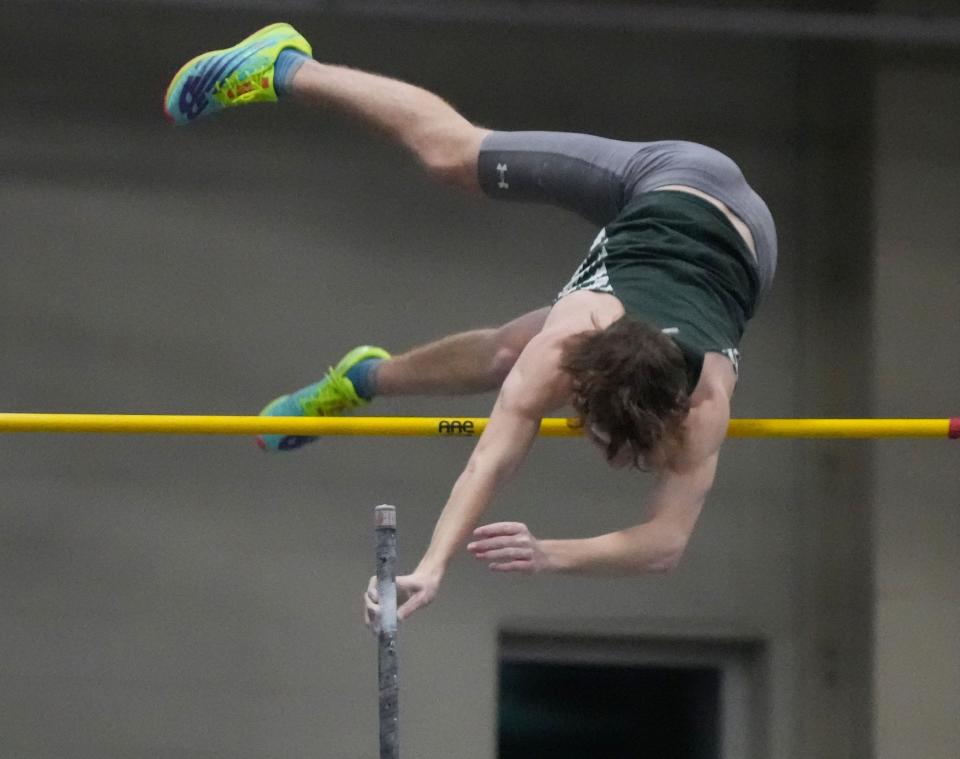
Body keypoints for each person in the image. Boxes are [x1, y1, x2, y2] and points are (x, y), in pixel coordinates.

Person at [164, 23, 777, 629]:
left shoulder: (703, 405)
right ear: (583, 378)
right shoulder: (564, 346)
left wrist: (548, 555)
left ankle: (363, 378)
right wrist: (433, 564)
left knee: (510, 354)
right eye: (593, 429)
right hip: (663, 179)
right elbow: (489, 461)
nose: (605, 455)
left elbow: (665, 544)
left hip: (747, 242)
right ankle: (285, 67)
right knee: (454, 162)